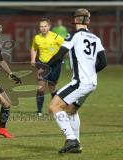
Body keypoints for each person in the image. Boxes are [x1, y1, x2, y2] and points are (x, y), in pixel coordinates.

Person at [47, 8, 107, 153]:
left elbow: (59, 55)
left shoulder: (72, 35)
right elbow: (103, 62)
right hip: (92, 83)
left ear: (74, 20)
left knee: (54, 106)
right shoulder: (96, 38)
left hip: (80, 83)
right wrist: (90, 72)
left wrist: (44, 68)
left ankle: (71, 139)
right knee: (71, 110)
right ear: (88, 21)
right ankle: (77, 144)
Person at [30, 18, 64, 116]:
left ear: (49, 26)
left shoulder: (56, 37)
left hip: (55, 65)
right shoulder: (37, 38)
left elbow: (65, 47)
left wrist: (61, 57)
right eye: (41, 26)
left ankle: (54, 108)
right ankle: (39, 111)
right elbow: (34, 48)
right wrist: (33, 58)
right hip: (42, 65)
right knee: (40, 88)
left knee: (52, 88)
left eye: (45, 26)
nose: (43, 28)